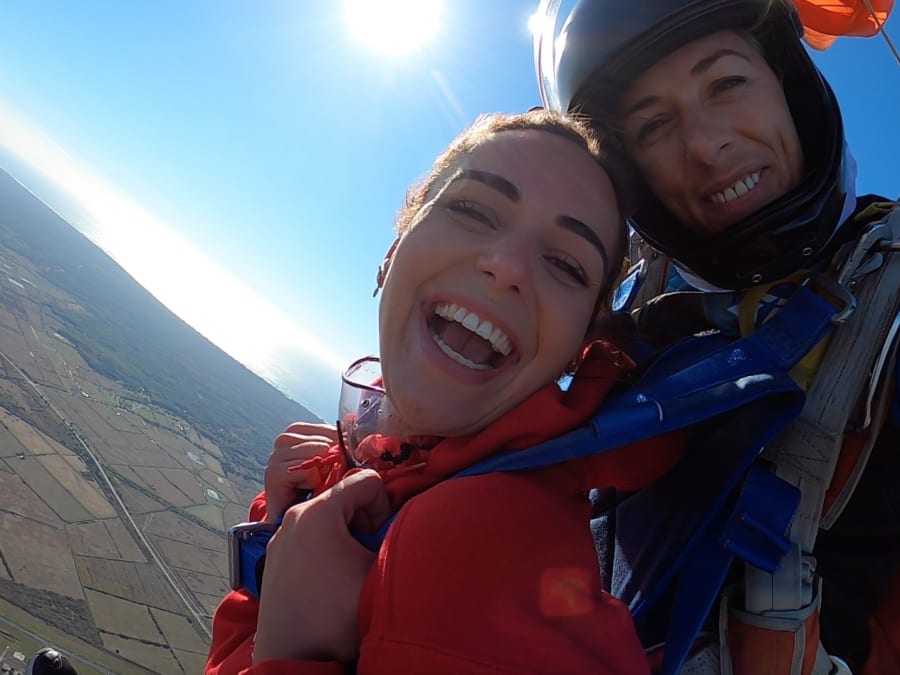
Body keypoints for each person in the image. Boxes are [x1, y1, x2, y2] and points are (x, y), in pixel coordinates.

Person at [205, 109, 688, 675]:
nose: (505, 266)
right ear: (392, 255)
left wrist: (296, 654)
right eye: (472, 210)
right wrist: (281, 536)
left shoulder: (480, 541)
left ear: (578, 348)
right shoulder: (373, 459)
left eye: (563, 263)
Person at [533, 0, 899, 673]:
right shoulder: (628, 307)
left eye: (726, 84)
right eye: (653, 125)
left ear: (787, 83)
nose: (704, 144)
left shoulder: (890, 322)